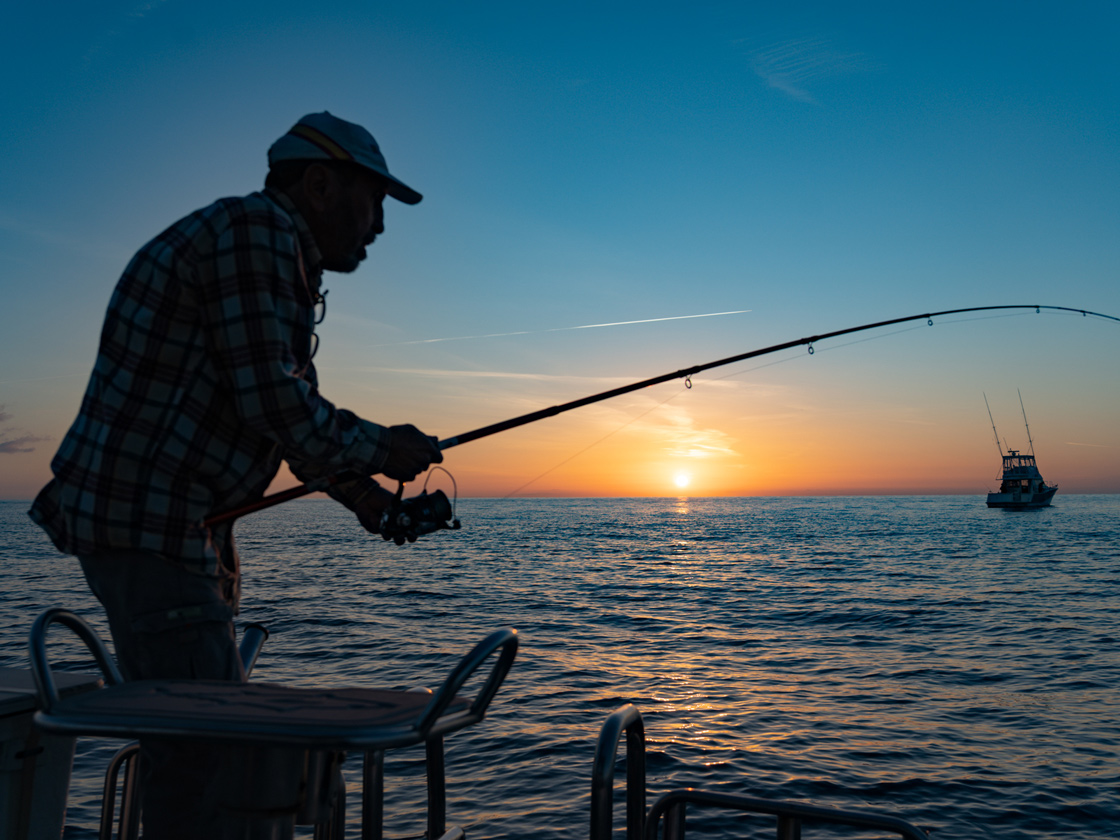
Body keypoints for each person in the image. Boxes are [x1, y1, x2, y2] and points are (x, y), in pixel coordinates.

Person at [29, 112, 443, 838]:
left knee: (193, 751)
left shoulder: (262, 248)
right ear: (319, 183)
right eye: (373, 201)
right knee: (207, 758)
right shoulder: (257, 234)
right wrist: (384, 447)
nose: (378, 226)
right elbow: (277, 403)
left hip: (171, 532)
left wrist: (375, 505)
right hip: (153, 528)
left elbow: (284, 421)